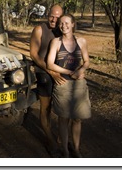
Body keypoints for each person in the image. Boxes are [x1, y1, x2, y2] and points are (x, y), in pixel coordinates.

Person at [46, 14, 91, 158]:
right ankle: (65, 150)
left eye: (66, 23)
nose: (63, 25)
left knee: (77, 119)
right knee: (63, 119)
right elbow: (50, 64)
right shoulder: (55, 42)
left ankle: (76, 149)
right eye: (61, 23)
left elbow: (86, 61)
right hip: (63, 85)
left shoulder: (82, 41)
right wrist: (70, 72)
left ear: (73, 24)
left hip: (79, 86)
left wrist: (81, 70)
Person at [30, 4, 65, 156]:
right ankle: (49, 139)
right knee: (46, 108)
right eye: (52, 15)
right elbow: (34, 54)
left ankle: (62, 138)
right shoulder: (39, 30)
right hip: (44, 74)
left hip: (60, 74)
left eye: (57, 17)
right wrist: (50, 71)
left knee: (63, 108)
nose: (54, 19)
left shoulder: (62, 31)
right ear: (47, 14)